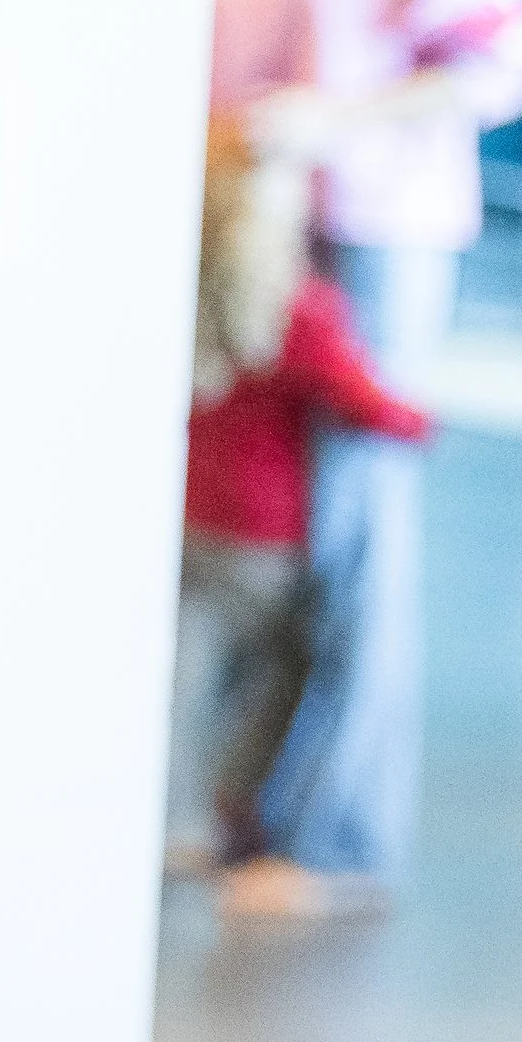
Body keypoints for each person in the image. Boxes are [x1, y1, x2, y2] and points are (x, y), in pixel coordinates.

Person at [210, 0, 522, 912]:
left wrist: (341, 120)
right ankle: (250, 809)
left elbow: (508, 55)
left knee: (355, 527)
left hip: (370, 233)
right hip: (258, 230)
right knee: (257, 530)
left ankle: (336, 837)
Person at [165, 130, 432, 879]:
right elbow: (368, 403)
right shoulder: (304, 313)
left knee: (188, 671)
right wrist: (424, 420)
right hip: (265, 544)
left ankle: (171, 816)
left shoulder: (186, 297)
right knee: (281, 672)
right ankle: (235, 805)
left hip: (191, 527)